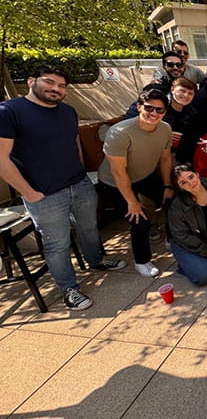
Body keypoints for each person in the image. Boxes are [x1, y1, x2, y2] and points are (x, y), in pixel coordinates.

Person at [0, 67, 125, 310]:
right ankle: (69, 288)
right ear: (31, 80)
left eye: (61, 86)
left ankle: (96, 260)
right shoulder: (9, 112)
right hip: (43, 194)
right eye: (50, 82)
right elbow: (2, 159)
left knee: (89, 228)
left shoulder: (68, 111)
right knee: (57, 243)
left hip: (79, 184)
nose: (56, 89)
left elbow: (74, 143)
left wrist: (81, 174)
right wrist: (29, 193)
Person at [98, 88, 173, 278]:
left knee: (174, 200)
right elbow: (118, 171)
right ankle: (142, 261)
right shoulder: (120, 132)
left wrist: (167, 186)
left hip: (145, 175)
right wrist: (132, 201)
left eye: (159, 110)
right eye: (149, 108)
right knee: (139, 219)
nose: (154, 113)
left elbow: (165, 159)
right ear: (139, 107)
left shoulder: (165, 129)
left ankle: (175, 238)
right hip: (115, 182)